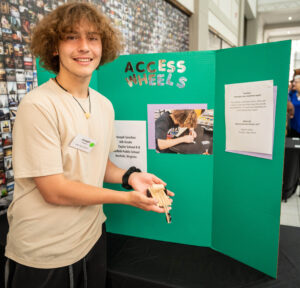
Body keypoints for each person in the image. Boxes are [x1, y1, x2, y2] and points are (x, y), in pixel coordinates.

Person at [4, 3, 173, 288]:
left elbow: (95, 161)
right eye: (71, 37)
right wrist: (129, 199)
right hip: (46, 252)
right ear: (54, 46)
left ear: (102, 46)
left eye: (92, 38)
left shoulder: (104, 105)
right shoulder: (38, 105)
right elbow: (54, 191)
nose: (84, 46)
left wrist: (130, 176)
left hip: (92, 236)